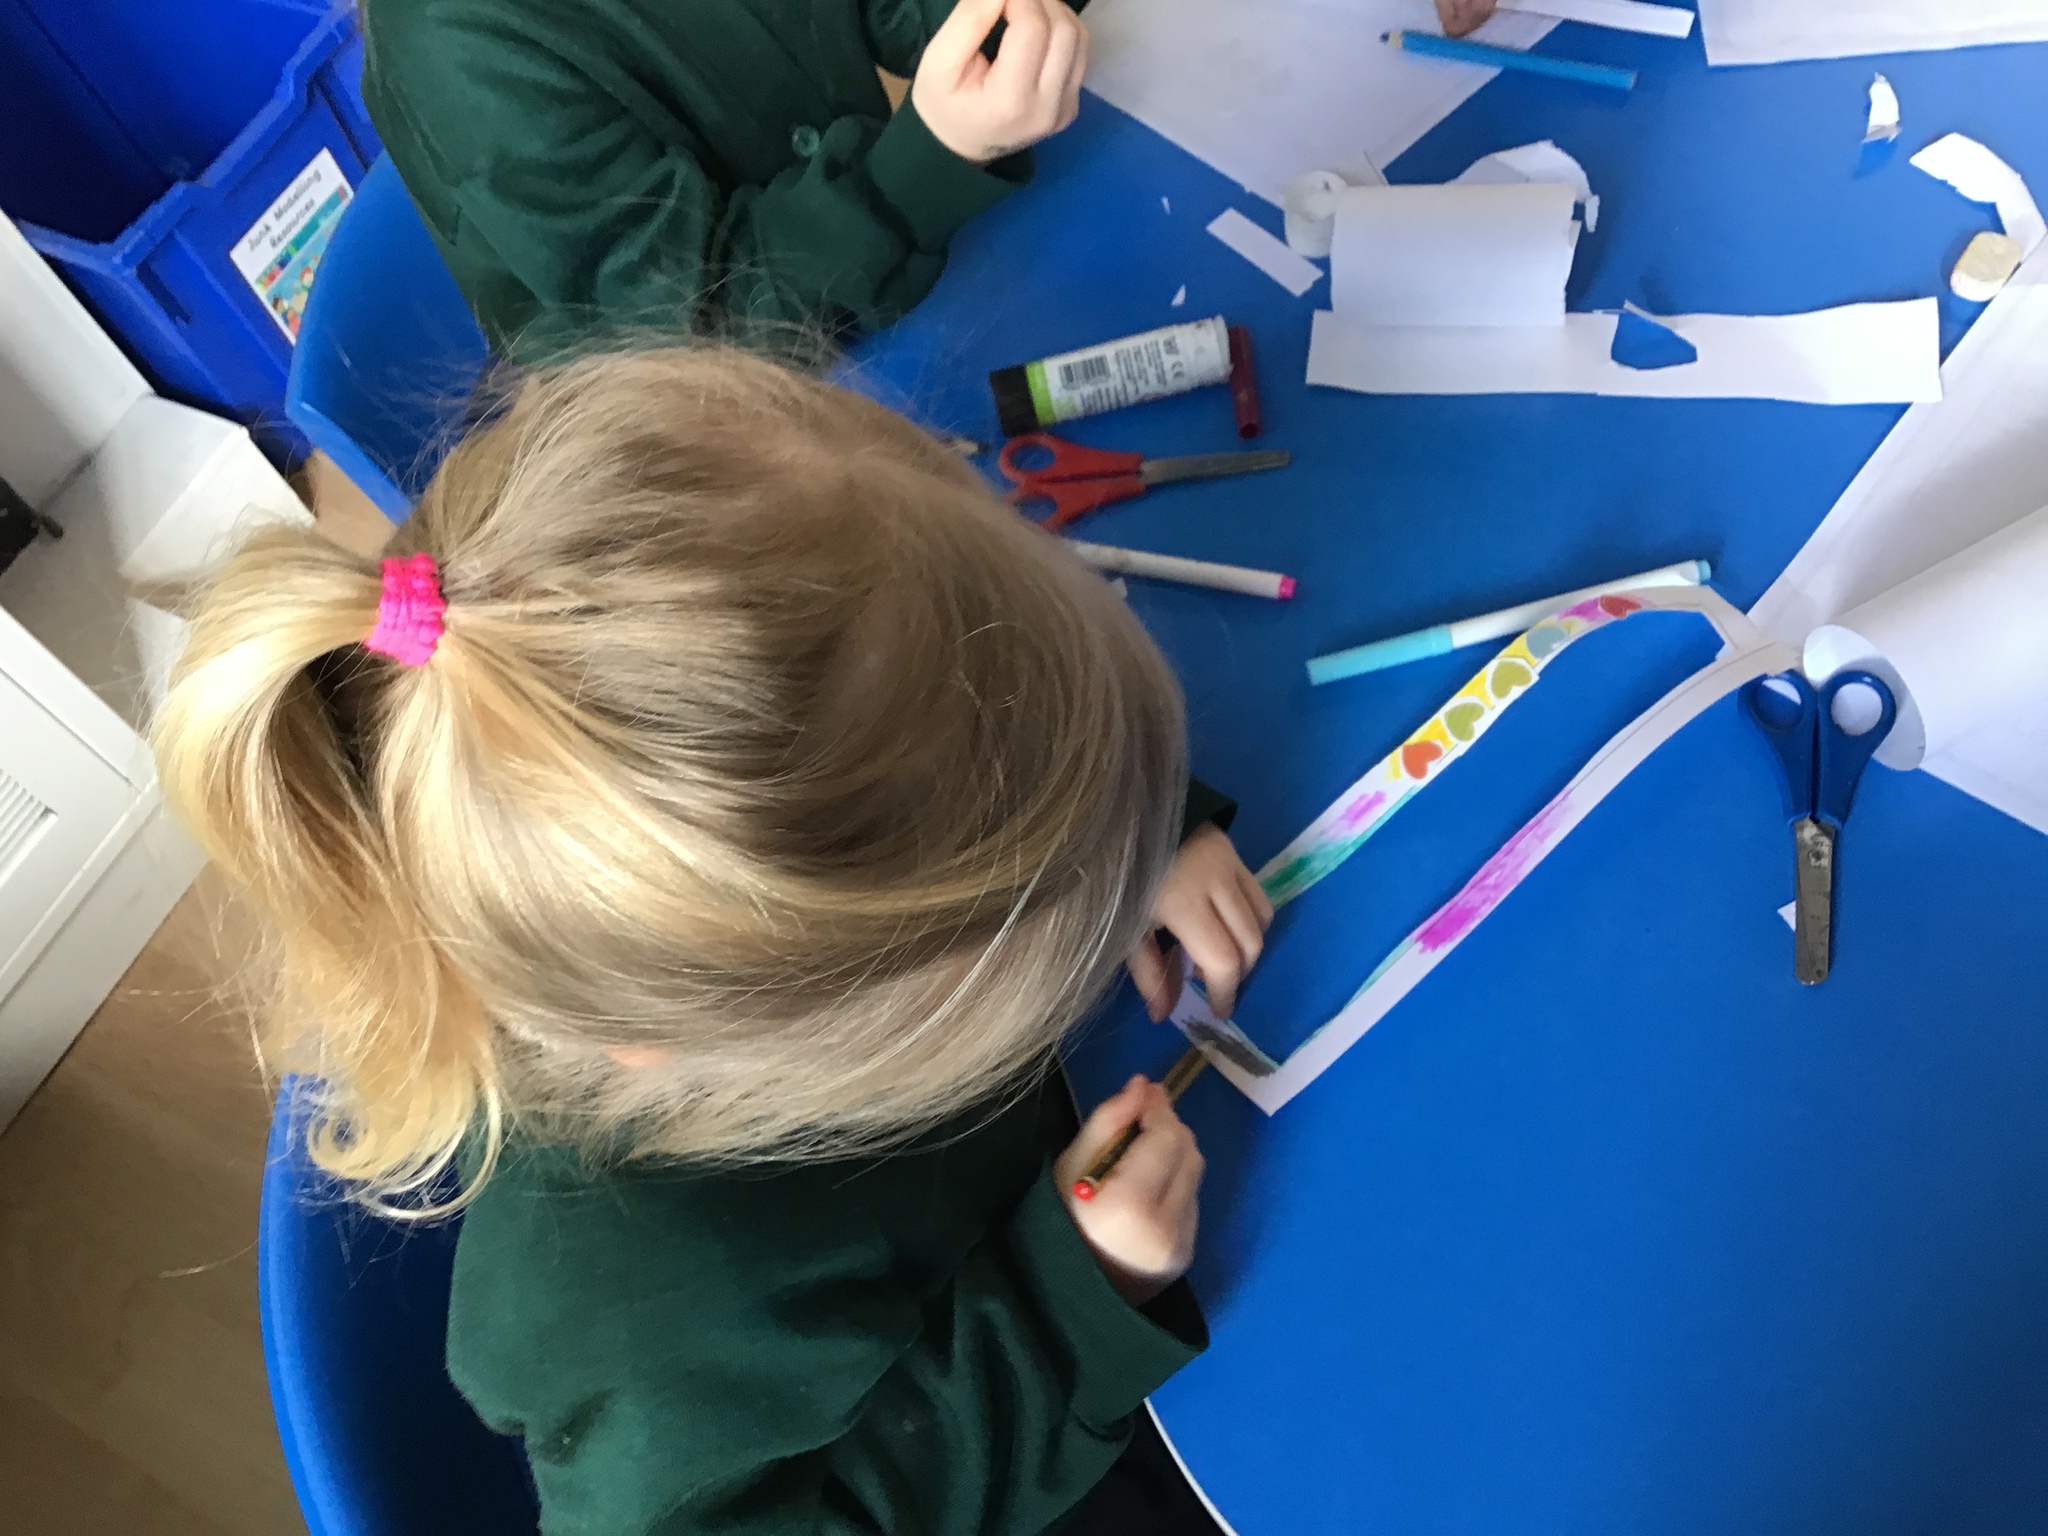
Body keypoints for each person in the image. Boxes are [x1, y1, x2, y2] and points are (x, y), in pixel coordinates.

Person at [154, 345, 1275, 1534]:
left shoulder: (704, 922)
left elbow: (950, 729)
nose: (1072, 887)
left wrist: (1133, 819)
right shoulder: (646, 1333)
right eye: (1029, 886)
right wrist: (1066, 1309)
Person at [357, 0, 1495, 357]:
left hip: (904, 271)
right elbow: (698, 337)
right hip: (741, 412)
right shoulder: (464, 51)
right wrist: (928, 157)